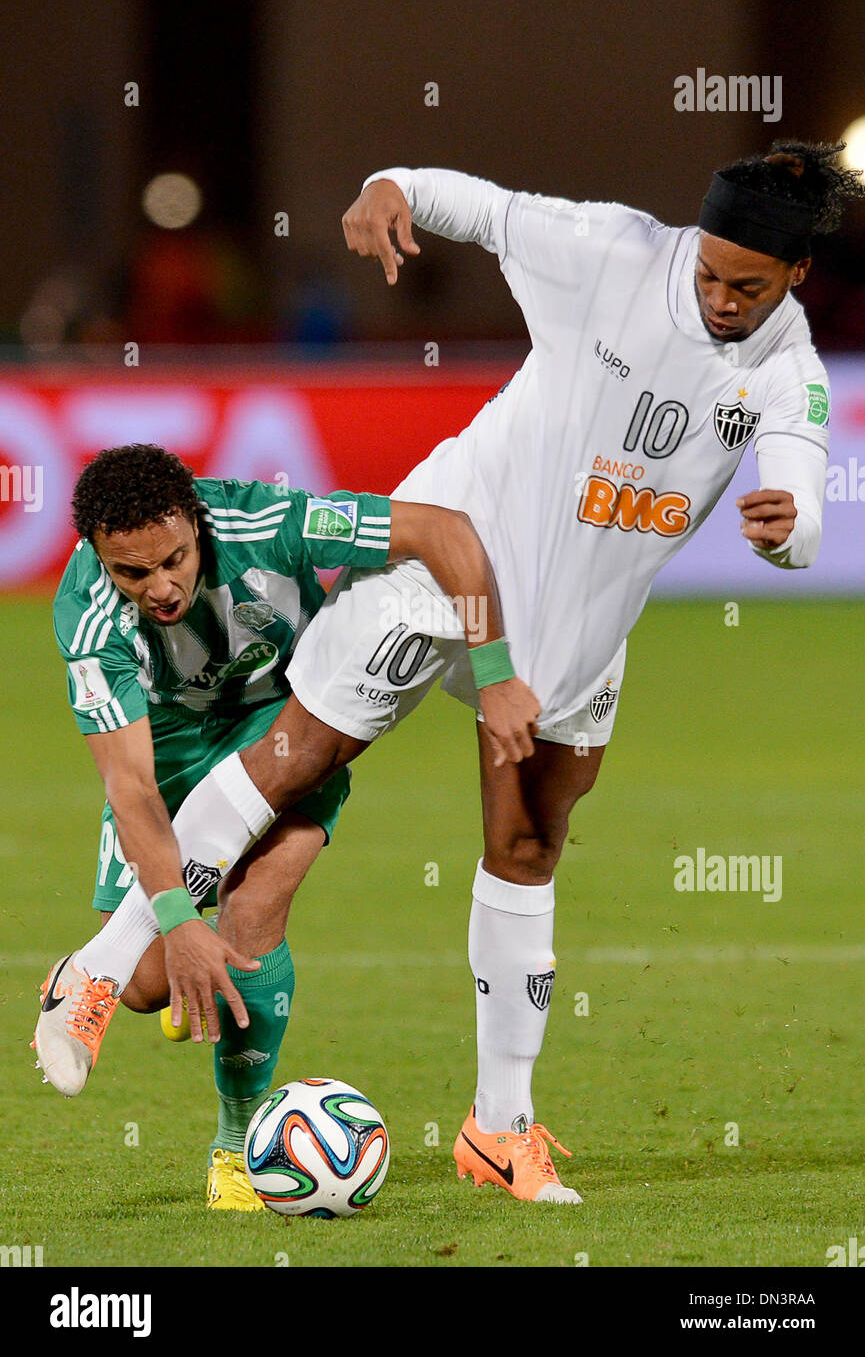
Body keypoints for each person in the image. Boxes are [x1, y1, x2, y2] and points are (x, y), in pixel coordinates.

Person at [40, 140, 863, 1207]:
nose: (714, 297)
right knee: (296, 754)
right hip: (450, 548)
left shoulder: (787, 369)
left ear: (795, 278)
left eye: (743, 287)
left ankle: (497, 1128)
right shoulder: (611, 248)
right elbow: (483, 204)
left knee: (525, 844)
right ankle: (100, 970)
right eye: (706, 272)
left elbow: (799, 492)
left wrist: (788, 526)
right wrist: (391, 187)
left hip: (575, 629)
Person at [34, 443, 539, 1209]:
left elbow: (446, 532)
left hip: (288, 727)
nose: (161, 588)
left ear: (195, 522)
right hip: (165, 749)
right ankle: (96, 971)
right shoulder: (86, 613)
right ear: (101, 558)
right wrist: (175, 917)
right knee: (145, 987)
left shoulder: (268, 518)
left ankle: (235, 1152)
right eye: (132, 573)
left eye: (173, 559)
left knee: (253, 915)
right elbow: (131, 785)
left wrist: (493, 666)